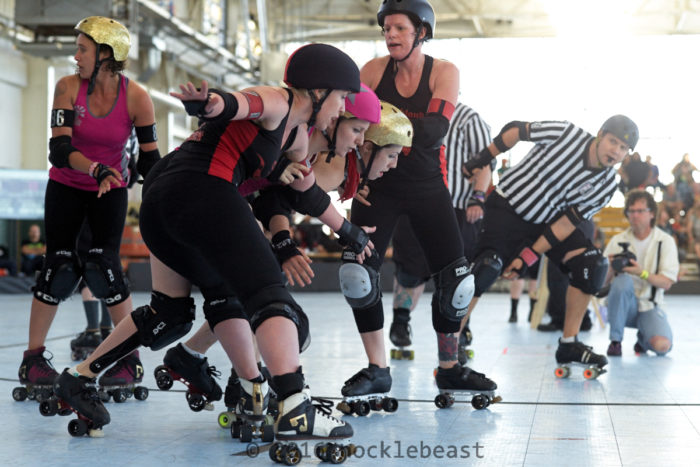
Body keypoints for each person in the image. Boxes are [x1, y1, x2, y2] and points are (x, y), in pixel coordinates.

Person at [53, 43, 371, 445]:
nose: (343, 108)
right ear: (319, 90)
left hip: (163, 203)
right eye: (342, 97)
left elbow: (309, 197)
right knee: (268, 292)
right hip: (202, 191)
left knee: (173, 312)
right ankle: (294, 406)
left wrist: (353, 234)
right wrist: (209, 103)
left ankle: (79, 378)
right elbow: (241, 103)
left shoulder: (298, 143)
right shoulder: (280, 101)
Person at [340, 0, 496, 403]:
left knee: (458, 281)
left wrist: (377, 122)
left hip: (427, 185)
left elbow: (434, 132)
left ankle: (450, 368)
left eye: (399, 29)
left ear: (421, 32)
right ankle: (378, 369)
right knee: (357, 274)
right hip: (377, 184)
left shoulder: (444, 71)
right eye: (386, 28)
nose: (390, 35)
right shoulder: (373, 70)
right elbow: (350, 124)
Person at [17, 16, 160, 402]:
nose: (75, 55)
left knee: (105, 270)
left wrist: (171, 193)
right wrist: (95, 168)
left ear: (106, 55)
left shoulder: (137, 97)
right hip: (67, 186)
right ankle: (32, 359)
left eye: (82, 48)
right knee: (58, 268)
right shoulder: (66, 87)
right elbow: (58, 150)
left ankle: (128, 358)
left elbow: (150, 160)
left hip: (109, 192)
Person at [462, 114, 639, 372]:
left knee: (593, 264)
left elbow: (565, 225)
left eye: (623, 148)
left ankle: (569, 343)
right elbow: (516, 131)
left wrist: (528, 257)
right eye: (613, 142)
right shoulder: (565, 133)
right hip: (507, 207)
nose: (616, 151)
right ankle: (453, 339)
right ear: (601, 134)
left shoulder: (606, 184)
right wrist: (483, 157)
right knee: (487, 267)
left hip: (546, 222)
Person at [385, 102, 492, 356]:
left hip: (456, 207)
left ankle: (460, 327)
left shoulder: (469, 118)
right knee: (409, 267)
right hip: (414, 201)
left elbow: (485, 162)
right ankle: (401, 321)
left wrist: (478, 197)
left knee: (458, 275)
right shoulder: (412, 112)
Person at [604, 189, 678, 356]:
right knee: (622, 281)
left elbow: (667, 282)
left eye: (640, 211)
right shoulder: (617, 241)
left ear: (652, 213)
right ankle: (615, 341)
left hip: (650, 306)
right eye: (631, 211)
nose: (635, 216)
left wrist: (641, 272)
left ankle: (644, 339)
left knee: (662, 347)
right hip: (622, 307)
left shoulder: (665, 241)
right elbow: (601, 284)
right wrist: (608, 267)